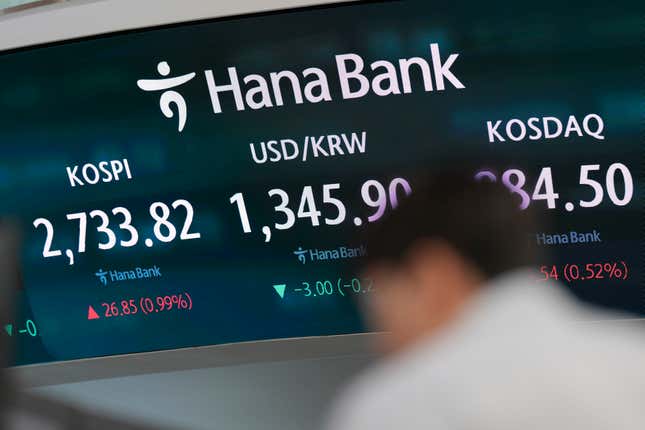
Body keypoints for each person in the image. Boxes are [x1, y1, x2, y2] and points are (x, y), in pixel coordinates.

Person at [326, 172, 645, 430]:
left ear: (431, 274)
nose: (382, 334)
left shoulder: (397, 405)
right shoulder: (635, 353)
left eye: (378, 297)